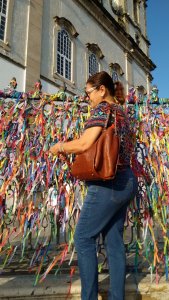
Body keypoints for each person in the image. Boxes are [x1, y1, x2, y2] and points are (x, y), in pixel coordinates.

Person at [49, 71, 138, 300]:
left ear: (101, 90)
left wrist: (59, 146)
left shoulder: (102, 109)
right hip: (127, 179)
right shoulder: (123, 113)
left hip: (107, 183)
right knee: (113, 241)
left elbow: (85, 143)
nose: (87, 97)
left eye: (88, 92)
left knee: (83, 238)